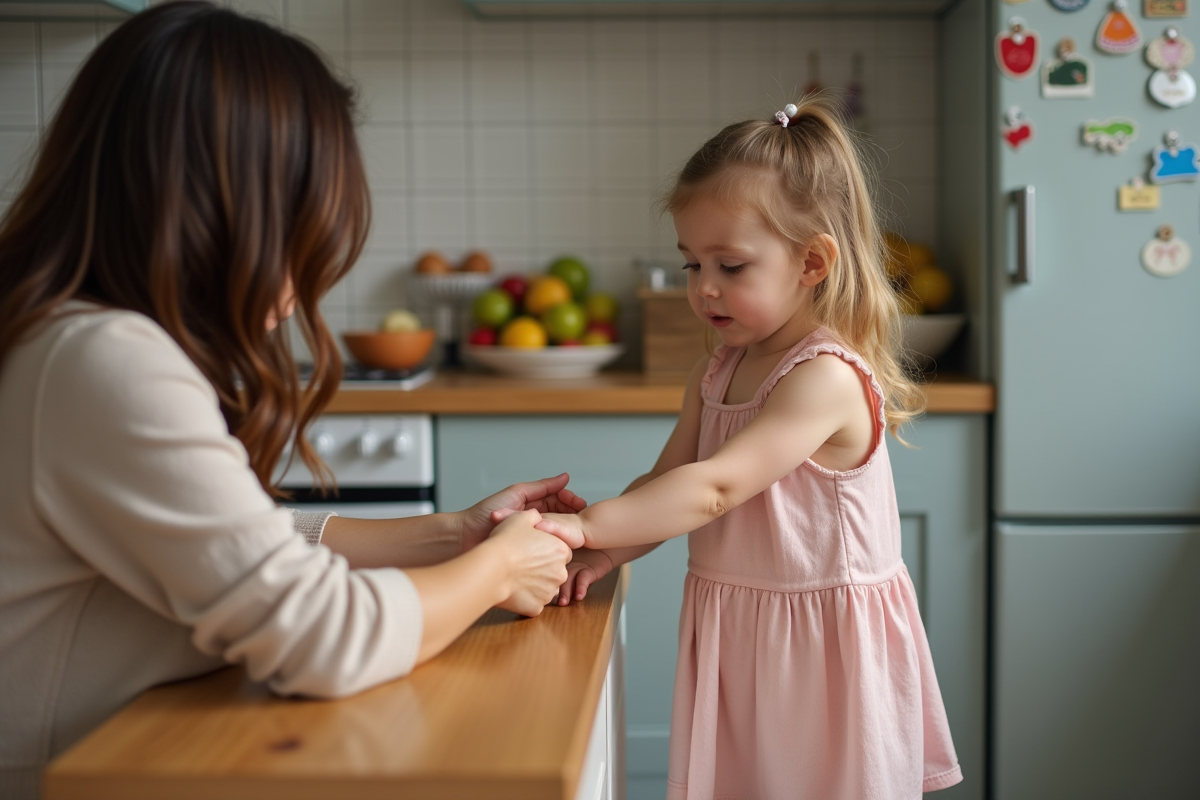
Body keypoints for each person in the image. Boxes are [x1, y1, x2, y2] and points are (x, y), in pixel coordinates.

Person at [0, 4, 578, 797]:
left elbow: (236, 541)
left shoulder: (67, 337)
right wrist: (494, 569)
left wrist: (451, 536)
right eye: (303, 229)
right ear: (224, 208)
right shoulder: (105, 361)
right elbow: (320, 638)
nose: (312, 273)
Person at [524, 97, 963, 798]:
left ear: (813, 262)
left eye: (730, 266)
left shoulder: (824, 378)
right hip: (738, 634)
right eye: (692, 263)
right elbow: (670, 477)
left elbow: (714, 489)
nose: (704, 289)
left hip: (822, 653)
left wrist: (584, 524)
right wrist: (609, 548)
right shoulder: (718, 370)